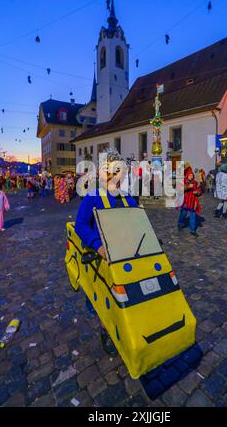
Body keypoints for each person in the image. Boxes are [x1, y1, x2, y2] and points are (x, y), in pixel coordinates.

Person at [75, 148, 137, 356]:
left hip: (125, 253)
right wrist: (97, 245)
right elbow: (81, 225)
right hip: (103, 256)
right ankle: (106, 329)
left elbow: (136, 223)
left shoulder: (128, 198)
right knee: (105, 297)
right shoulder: (92, 197)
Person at [178, 169, 202, 237]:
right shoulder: (183, 181)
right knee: (183, 214)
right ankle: (180, 224)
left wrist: (197, 192)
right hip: (185, 201)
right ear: (187, 175)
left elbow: (199, 190)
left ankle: (192, 230)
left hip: (193, 201)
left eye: (192, 175)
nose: (191, 176)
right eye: (190, 175)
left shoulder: (195, 183)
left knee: (193, 215)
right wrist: (188, 187)